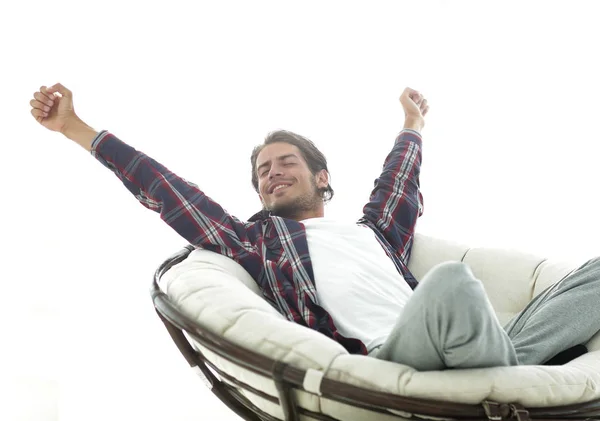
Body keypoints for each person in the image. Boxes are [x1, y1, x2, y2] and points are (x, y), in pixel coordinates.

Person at [30, 83, 600, 371]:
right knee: (451, 283)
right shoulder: (256, 243)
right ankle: (510, 369)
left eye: (286, 163)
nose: (272, 175)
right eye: (262, 172)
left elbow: (398, 183)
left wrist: (413, 123)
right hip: (392, 354)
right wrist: (77, 128)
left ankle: (507, 365)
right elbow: (168, 188)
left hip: (481, 342)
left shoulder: (374, 233)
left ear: (321, 177)